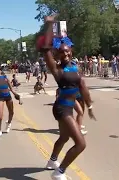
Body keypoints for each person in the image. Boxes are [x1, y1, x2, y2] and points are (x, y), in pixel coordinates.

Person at [37, 15, 96, 180]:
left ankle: (52, 161)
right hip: (62, 109)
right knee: (81, 144)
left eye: (67, 50)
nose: (65, 53)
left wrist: (89, 106)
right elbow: (46, 48)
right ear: (58, 54)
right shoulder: (57, 70)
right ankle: (59, 172)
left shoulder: (75, 68)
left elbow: (82, 86)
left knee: (64, 137)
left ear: (71, 51)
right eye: (61, 52)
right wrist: (49, 24)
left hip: (69, 107)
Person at [0, 47, 22, 141]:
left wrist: (16, 95)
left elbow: (11, 88)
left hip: (8, 96)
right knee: (0, 116)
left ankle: (9, 123)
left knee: (12, 112)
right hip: (1, 97)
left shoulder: (5, 77)